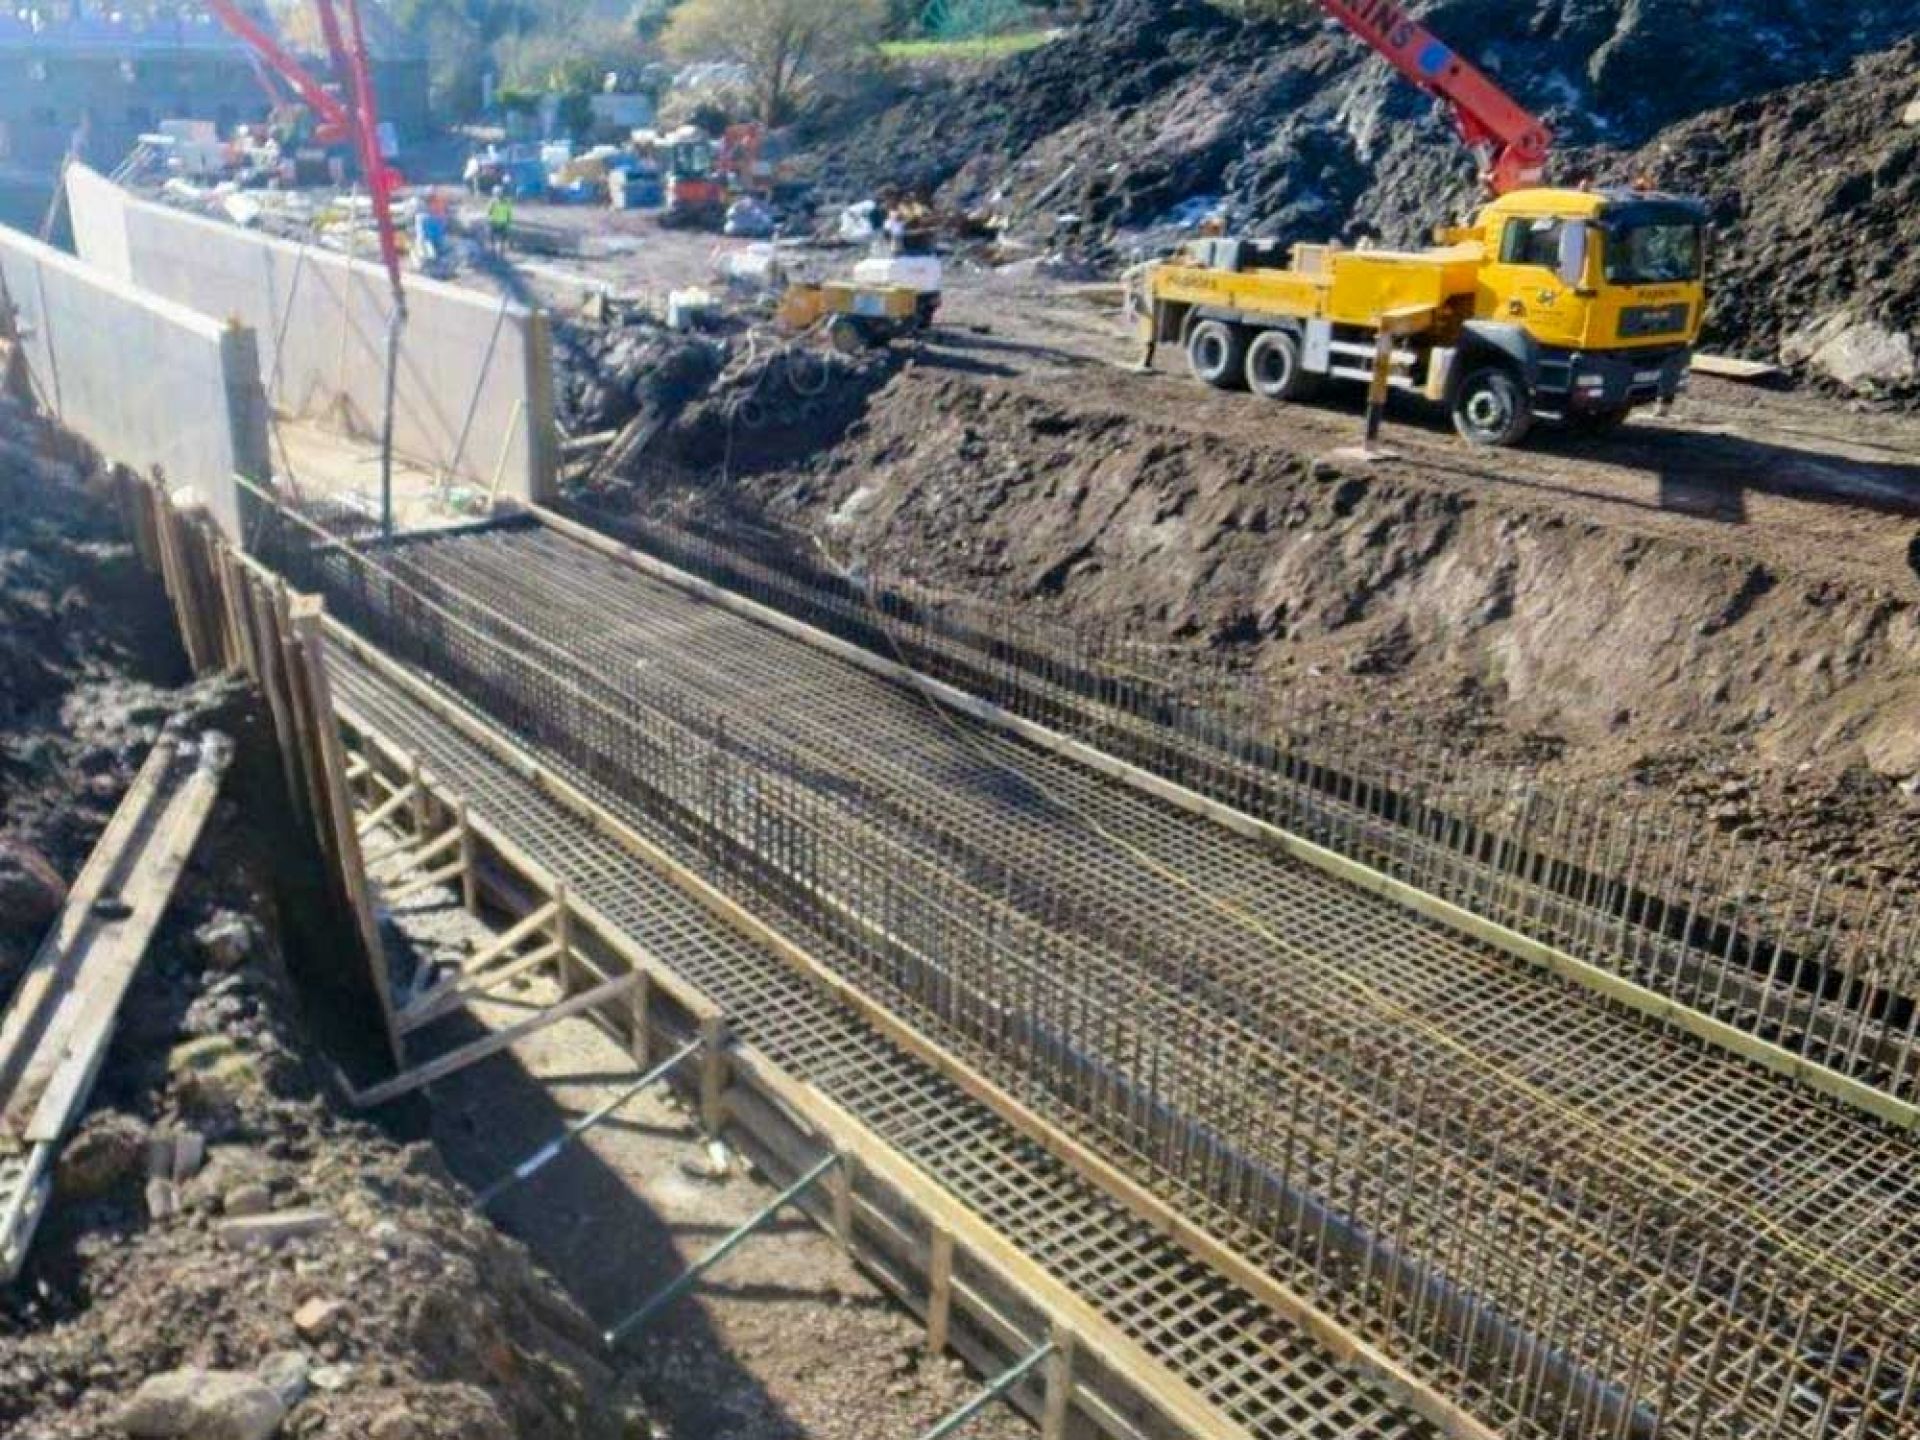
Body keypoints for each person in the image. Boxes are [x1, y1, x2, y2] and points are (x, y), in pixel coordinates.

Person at [487, 187, 513, 255]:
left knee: (502, 240)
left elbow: (509, 212)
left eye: (499, 193)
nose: (498, 195)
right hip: (495, 222)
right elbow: (489, 212)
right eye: (497, 193)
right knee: (492, 238)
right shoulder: (493, 202)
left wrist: (509, 222)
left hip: (502, 223)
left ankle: (500, 253)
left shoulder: (506, 202)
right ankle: (493, 251)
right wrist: (489, 221)